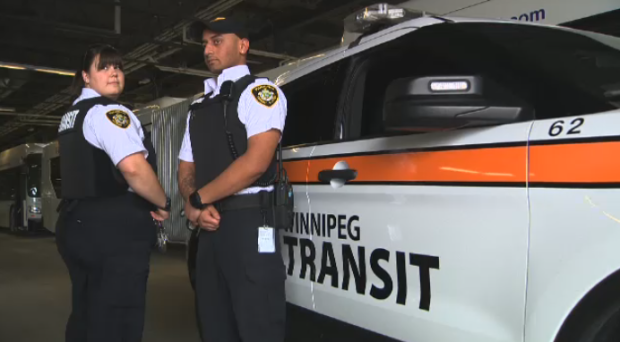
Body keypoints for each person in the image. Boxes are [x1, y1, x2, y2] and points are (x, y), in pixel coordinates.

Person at [178, 18, 288, 342]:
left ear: (243, 45)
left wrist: (199, 199)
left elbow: (256, 162)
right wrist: (190, 202)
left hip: (250, 222)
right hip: (209, 227)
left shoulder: (260, 93)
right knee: (214, 323)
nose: (208, 50)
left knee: (258, 323)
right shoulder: (198, 108)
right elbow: (186, 167)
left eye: (217, 41)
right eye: (205, 44)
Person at [55, 44, 171, 342]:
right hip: (113, 230)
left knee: (87, 312)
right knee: (119, 320)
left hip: (75, 223)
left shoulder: (71, 117)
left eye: (118, 67)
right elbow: (133, 167)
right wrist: (162, 202)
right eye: (103, 67)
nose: (114, 73)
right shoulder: (110, 113)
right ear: (85, 76)